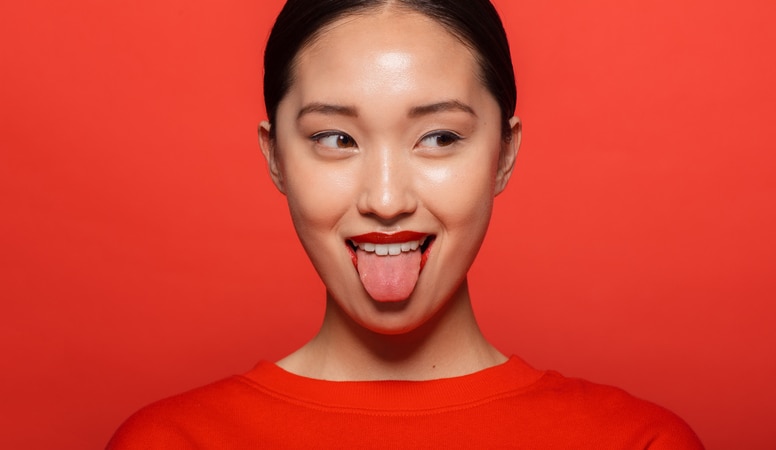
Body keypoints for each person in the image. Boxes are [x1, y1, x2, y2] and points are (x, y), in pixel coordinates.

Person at [107, 0, 705, 448]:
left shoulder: (636, 443)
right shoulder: (171, 442)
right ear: (275, 158)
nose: (387, 200)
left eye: (440, 137)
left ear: (504, 153)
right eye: (335, 139)